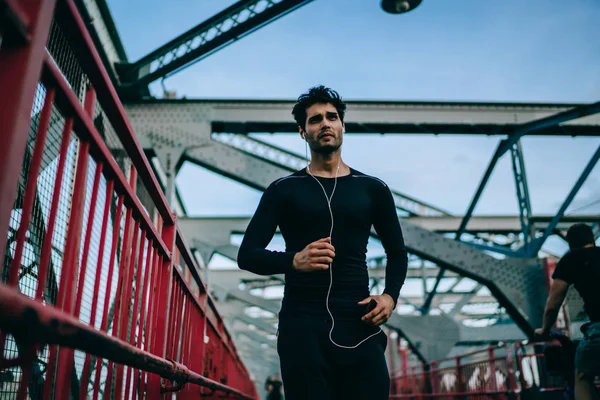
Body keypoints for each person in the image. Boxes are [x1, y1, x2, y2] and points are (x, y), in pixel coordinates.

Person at [237, 85, 408, 400]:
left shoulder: (372, 189)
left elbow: (397, 253)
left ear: (343, 126)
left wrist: (390, 298)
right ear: (303, 132)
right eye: (315, 120)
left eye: (332, 117)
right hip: (302, 327)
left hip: (359, 322)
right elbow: (247, 255)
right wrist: (293, 260)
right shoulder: (283, 190)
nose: (325, 124)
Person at [535, 223, 600, 400]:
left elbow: (553, 304)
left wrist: (545, 329)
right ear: (592, 239)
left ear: (570, 244)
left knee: (582, 376)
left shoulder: (572, 259)